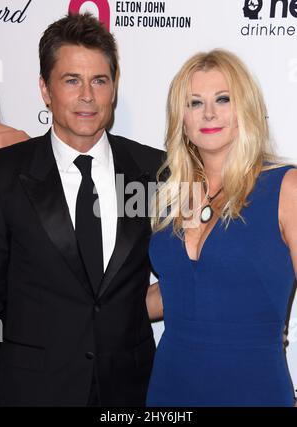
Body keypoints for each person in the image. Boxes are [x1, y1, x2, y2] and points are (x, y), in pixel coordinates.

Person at [0, 12, 164, 406]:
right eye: (72, 80)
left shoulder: (154, 171)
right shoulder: (6, 174)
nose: (87, 95)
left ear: (113, 88)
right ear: (45, 89)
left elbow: (192, 270)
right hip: (33, 390)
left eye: (99, 81)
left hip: (130, 389)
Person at [146, 49, 297, 407]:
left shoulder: (285, 188)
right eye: (195, 102)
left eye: (223, 99)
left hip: (253, 387)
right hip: (169, 385)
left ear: (244, 108)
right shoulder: (173, 195)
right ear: (181, 118)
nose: (209, 113)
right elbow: (179, 289)